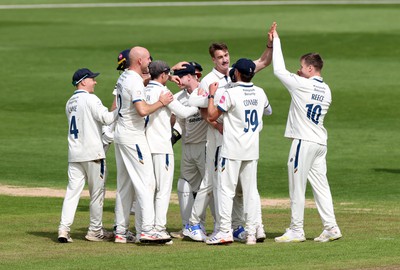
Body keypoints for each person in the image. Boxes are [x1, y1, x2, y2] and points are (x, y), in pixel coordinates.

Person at [188, 23, 275, 242]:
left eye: (226, 55)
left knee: (235, 190)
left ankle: (236, 228)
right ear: (213, 60)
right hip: (220, 142)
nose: (225, 60)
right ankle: (195, 223)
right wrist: (221, 127)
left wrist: (269, 44)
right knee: (213, 185)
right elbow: (205, 113)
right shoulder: (209, 81)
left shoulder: (238, 71)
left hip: (233, 143)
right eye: (220, 57)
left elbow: (264, 61)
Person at [271, 24, 342, 243]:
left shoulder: (302, 85)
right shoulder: (326, 89)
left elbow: (278, 70)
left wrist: (276, 41)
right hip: (320, 143)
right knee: (321, 187)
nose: (299, 70)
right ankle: (331, 227)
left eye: (302, 67)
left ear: (311, 69)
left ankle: (296, 229)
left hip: (304, 142)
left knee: (297, 186)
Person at [205, 58, 272, 245]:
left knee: (226, 191)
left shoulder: (230, 94)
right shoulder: (260, 92)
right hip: (252, 150)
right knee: (250, 193)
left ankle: (225, 231)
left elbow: (211, 116)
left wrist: (211, 95)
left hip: (232, 150)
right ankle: (251, 233)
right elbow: (268, 111)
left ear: (237, 74)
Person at [113, 46, 174, 244]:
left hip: (121, 133)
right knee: (147, 183)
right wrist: (162, 102)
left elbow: (137, 85)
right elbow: (142, 110)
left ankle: (121, 231)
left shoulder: (124, 78)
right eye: (148, 59)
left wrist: (165, 76)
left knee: (124, 185)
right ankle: (147, 230)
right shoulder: (134, 81)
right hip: (133, 136)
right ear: (139, 61)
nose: (150, 61)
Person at [58, 68, 118, 243]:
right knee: (97, 194)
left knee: (72, 192)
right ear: (83, 81)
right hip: (93, 153)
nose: (95, 82)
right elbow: (107, 118)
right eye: (92, 79)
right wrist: (122, 108)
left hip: (75, 154)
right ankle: (95, 231)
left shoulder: (69, 102)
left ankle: (63, 229)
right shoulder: (91, 99)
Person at [144, 60, 198, 241]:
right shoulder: (163, 92)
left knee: (149, 189)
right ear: (163, 75)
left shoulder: (144, 89)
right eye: (167, 74)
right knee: (163, 190)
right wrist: (204, 101)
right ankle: (158, 228)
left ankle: (146, 227)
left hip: (145, 146)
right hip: (161, 147)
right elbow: (184, 113)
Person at [169, 63, 209, 239]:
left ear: (191, 76)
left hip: (205, 145)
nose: (177, 79)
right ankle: (188, 227)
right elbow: (180, 123)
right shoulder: (177, 97)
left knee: (210, 187)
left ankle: (221, 226)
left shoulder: (205, 92)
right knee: (184, 184)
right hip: (188, 146)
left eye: (181, 76)